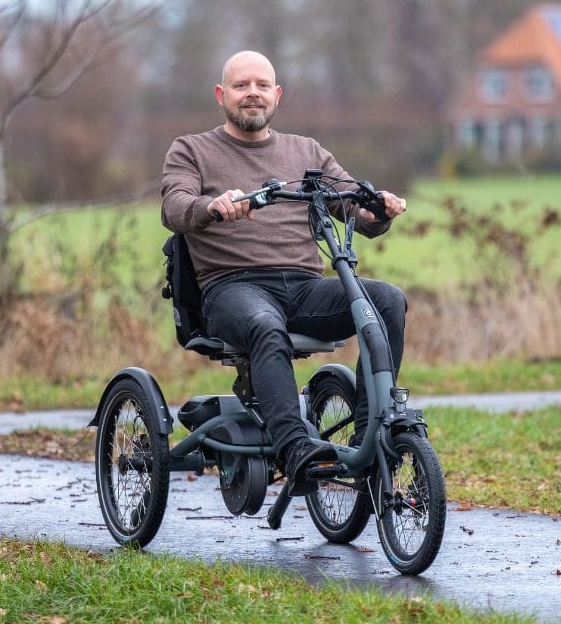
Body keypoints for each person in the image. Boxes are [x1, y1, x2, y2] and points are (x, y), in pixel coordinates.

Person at [160, 50, 407, 494]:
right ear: (222, 95)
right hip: (232, 290)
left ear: (276, 95)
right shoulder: (192, 149)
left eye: (260, 85)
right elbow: (174, 206)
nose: (251, 93)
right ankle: (296, 451)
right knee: (264, 326)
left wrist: (380, 208)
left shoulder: (306, 151)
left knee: (387, 300)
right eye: (240, 85)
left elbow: (352, 205)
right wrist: (210, 207)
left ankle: (373, 436)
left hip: (304, 289)